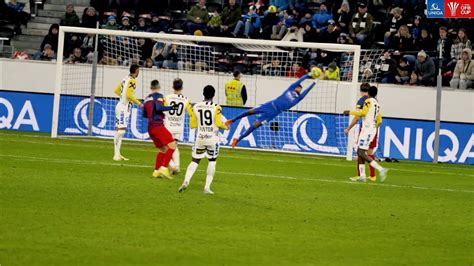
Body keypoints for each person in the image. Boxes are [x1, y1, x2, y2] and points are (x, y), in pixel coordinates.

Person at [225, 73, 317, 148]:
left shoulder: (299, 98)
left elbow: (307, 91)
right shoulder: (291, 88)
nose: (300, 89)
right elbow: (300, 80)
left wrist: (314, 82)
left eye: (301, 88)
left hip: (273, 113)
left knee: (255, 126)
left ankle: (237, 140)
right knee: (250, 112)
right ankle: (233, 120)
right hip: (269, 105)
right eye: (299, 87)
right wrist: (308, 75)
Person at [178, 85, 229, 194]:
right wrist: (226, 126)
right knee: (212, 161)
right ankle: (206, 187)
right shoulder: (217, 107)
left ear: (203, 94)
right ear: (214, 95)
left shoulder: (196, 106)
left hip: (200, 138)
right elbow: (219, 123)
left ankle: (186, 180)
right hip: (212, 139)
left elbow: (192, 125)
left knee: (195, 161)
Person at [343, 86, 387, 183]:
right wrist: (374, 127)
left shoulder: (368, 101)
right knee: (360, 151)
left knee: (362, 152)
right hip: (372, 129)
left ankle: (381, 169)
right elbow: (379, 120)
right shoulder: (377, 103)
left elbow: (363, 112)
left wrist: (349, 112)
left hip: (367, 129)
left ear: (368, 93)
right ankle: (362, 176)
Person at [143, 80, 179, 179]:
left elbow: (144, 114)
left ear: (151, 88)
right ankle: (163, 168)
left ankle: (156, 171)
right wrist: (170, 107)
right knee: (173, 145)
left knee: (163, 150)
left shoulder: (146, 99)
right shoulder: (159, 95)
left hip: (150, 127)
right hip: (158, 125)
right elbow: (159, 107)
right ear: (158, 87)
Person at [164, 78, 195, 174]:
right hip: (179, 127)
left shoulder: (167, 98)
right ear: (182, 87)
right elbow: (191, 113)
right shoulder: (186, 99)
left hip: (168, 126)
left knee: (165, 148)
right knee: (174, 146)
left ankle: (173, 166)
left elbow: (163, 110)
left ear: (173, 86)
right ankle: (177, 166)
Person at [113, 64, 143, 161]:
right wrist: (139, 103)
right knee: (120, 131)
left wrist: (122, 98)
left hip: (121, 105)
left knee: (120, 131)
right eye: (138, 71)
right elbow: (129, 94)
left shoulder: (125, 78)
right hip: (123, 107)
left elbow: (116, 90)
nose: (139, 73)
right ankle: (116, 155)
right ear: (136, 71)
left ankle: (117, 154)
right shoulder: (132, 81)